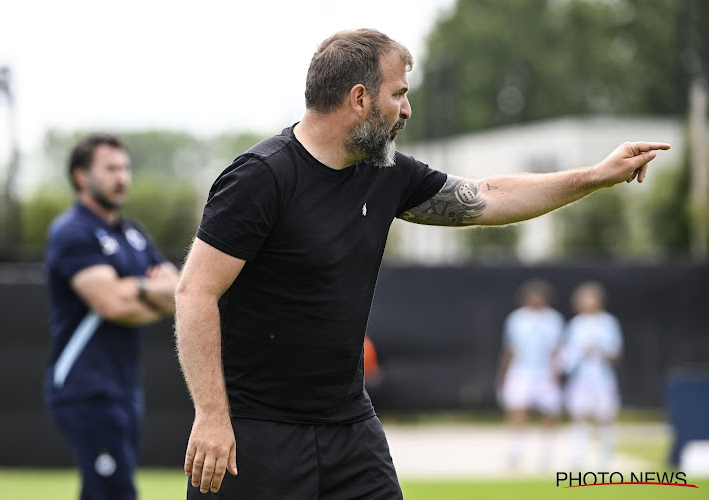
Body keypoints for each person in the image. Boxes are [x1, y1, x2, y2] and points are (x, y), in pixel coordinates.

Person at [174, 28, 669, 499]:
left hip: (349, 426)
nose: (407, 109)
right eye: (398, 94)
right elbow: (195, 292)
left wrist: (595, 176)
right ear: (360, 97)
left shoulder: (383, 173)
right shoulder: (262, 177)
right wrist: (213, 415)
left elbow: (487, 197)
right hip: (258, 429)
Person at [44, 133, 179, 500]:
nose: (122, 177)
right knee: (114, 491)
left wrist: (131, 287)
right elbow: (112, 306)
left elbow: (179, 291)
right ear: (80, 176)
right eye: (110, 169)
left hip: (123, 387)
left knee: (104, 490)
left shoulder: (133, 234)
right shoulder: (73, 231)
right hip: (85, 388)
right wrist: (149, 290)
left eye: (125, 168)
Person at [495, 279, 565, 469]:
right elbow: (509, 349)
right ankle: (515, 454)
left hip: (545, 374)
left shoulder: (553, 319)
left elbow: (557, 350)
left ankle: (546, 455)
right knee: (517, 412)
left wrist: (557, 375)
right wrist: (503, 376)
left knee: (549, 413)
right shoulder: (516, 319)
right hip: (521, 372)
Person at [562, 281, 623, 469]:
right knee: (579, 416)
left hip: (602, 379)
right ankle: (578, 457)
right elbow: (567, 354)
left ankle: (605, 457)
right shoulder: (575, 324)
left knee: (605, 417)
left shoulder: (608, 323)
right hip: (580, 379)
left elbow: (615, 353)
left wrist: (600, 351)